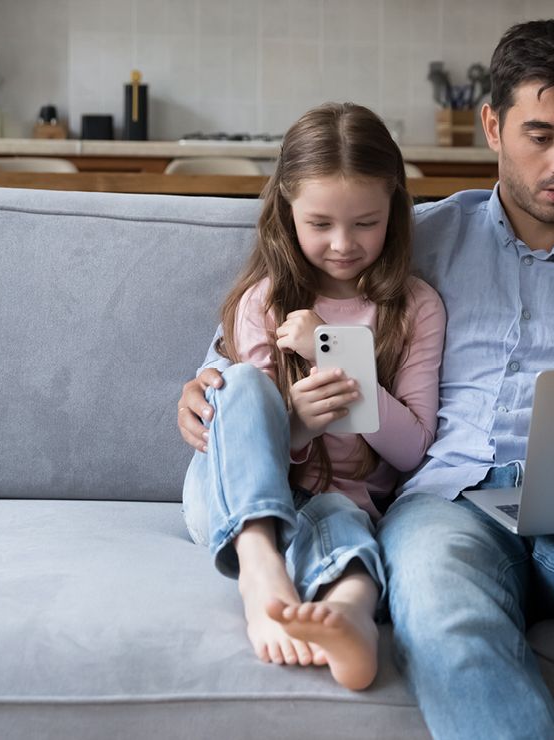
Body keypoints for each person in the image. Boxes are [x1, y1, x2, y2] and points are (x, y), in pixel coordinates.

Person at [180, 20, 554, 739]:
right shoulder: (410, 243)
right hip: (452, 500)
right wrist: (210, 382)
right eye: (541, 135)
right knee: (438, 602)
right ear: (492, 125)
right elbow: (283, 305)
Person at [179, 103, 446, 692]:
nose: (343, 244)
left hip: (341, 497)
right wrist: (295, 425)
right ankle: (258, 562)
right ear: (287, 211)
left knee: (347, 528)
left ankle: (350, 616)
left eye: (366, 223)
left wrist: (339, 361)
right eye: (320, 223)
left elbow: (414, 452)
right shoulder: (264, 301)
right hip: (230, 495)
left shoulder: (415, 307)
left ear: (395, 214)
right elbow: (243, 428)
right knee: (243, 383)